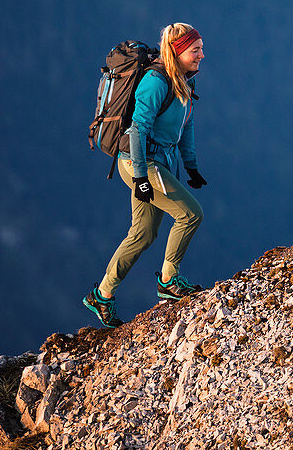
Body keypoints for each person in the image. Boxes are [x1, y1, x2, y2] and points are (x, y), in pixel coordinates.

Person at [83, 23, 208, 328]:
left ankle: (102, 295)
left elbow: (185, 127)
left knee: (143, 233)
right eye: (196, 50)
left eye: (201, 48)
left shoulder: (183, 82)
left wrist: (190, 167)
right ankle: (168, 280)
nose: (202, 55)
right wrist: (140, 177)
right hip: (141, 163)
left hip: (156, 164)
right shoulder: (156, 81)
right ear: (178, 52)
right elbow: (137, 130)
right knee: (191, 215)